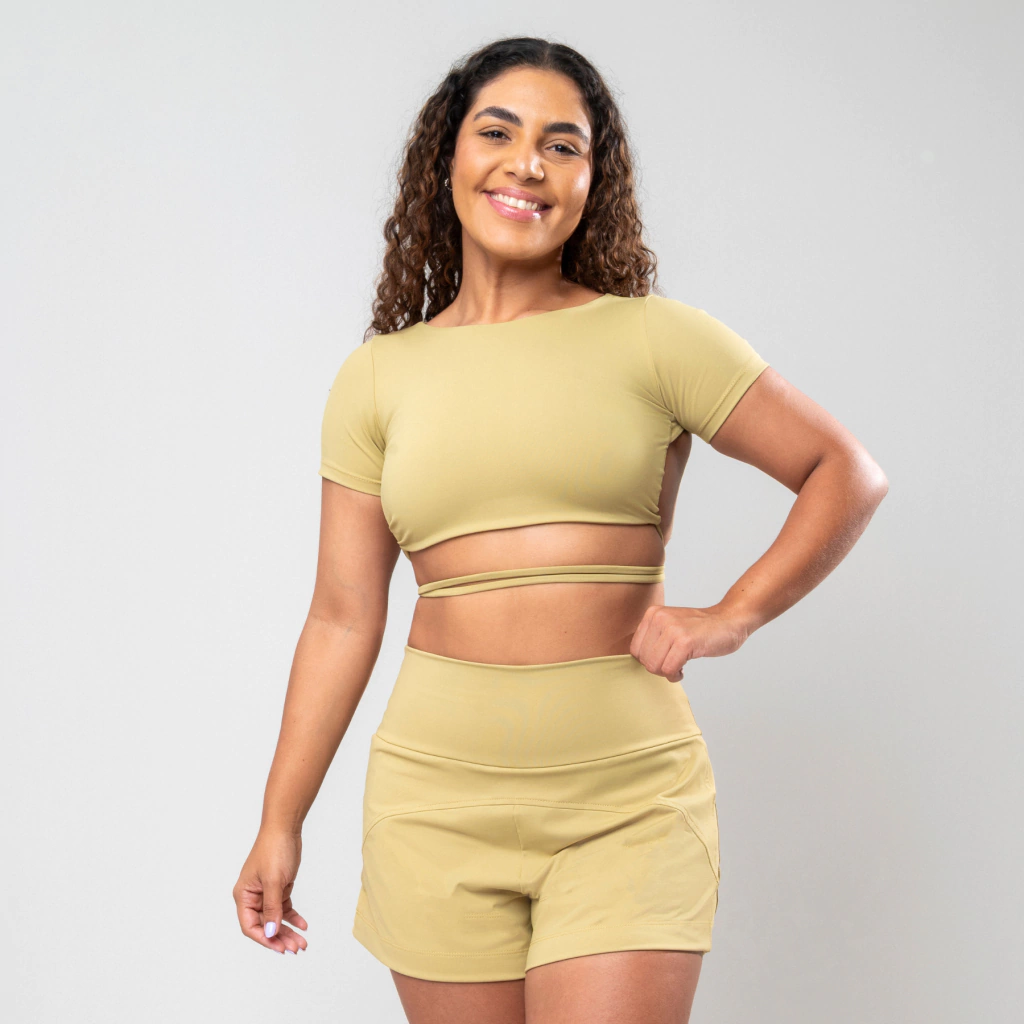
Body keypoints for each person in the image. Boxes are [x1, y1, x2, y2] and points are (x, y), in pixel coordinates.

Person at [233, 36, 888, 1024]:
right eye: (497, 132)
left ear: (593, 178)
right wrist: (279, 822)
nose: (527, 164)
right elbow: (340, 615)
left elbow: (845, 472)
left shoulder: (654, 338)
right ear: (446, 156)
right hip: (434, 805)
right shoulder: (376, 378)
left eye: (562, 145)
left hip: (625, 802)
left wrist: (734, 613)